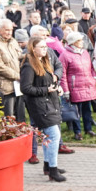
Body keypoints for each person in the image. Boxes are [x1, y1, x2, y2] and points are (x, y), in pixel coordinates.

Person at [20, 37, 66, 181]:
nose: (45, 50)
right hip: (39, 106)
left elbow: (49, 81)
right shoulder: (29, 65)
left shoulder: (44, 61)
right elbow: (26, 88)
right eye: (41, 47)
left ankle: (48, 166)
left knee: (48, 137)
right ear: (33, 49)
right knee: (54, 136)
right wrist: (46, 90)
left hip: (50, 103)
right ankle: (52, 170)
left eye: (46, 47)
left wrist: (56, 88)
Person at [60, 31, 96, 140]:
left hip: (87, 85)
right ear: (73, 42)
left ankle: (88, 129)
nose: (82, 42)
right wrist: (66, 90)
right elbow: (62, 74)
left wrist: (94, 78)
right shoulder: (65, 55)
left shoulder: (85, 52)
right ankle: (77, 132)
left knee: (88, 109)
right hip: (74, 87)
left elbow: (91, 67)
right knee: (76, 111)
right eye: (79, 40)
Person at [0, 19, 25, 120]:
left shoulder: (12, 41)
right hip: (6, 87)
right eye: (7, 30)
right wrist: (17, 76)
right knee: (9, 119)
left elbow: (18, 56)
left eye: (11, 30)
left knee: (21, 117)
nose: (9, 32)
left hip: (18, 86)